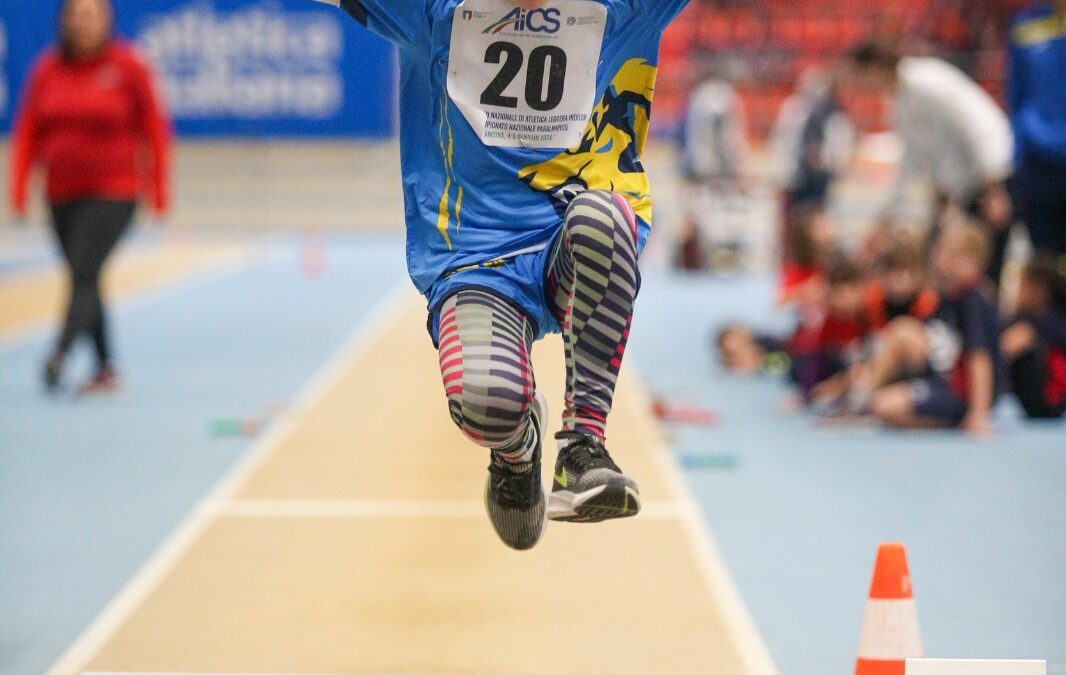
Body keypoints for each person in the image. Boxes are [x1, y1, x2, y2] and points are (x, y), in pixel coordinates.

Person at [319, 0, 689, 550]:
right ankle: (516, 453)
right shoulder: (431, 11)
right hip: (474, 259)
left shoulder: (623, 7)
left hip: (576, 232)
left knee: (604, 215)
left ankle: (584, 450)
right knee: (486, 405)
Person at [9, 0, 172, 395]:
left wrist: (159, 189)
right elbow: (28, 128)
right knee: (87, 278)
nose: (83, 24)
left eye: (91, 15)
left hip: (115, 191)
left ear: (106, 21)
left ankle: (59, 354)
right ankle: (105, 367)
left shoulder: (127, 65)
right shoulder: (47, 68)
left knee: (83, 272)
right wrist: (18, 188)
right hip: (61, 193)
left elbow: (154, 126)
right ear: (63, 22)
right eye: (76, 15)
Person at [849, 41, 1015, 287]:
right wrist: (889, 214)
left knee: (982, 263)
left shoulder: (926, 80)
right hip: (965, 187)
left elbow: (975, 123)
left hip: (991, 178)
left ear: (875, 67)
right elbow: (916, 159)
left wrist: (994, 188)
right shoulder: (900, 100)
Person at [856, 223, 1003, 434]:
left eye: (949, 253)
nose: (939, 258)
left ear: (973, 262)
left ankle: (954, 419)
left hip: (959, 391)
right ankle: (862, 398)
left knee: (884, 405)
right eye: (939, 250)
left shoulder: (973, 301)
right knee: (901, 330)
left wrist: (978, 414)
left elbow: (979, 357)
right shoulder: (947, 297)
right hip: (938, 377)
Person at [675, 64, 750, 271]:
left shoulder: (696, 97)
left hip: (696, 167)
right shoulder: (720, 98)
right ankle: (713, 264)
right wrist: (736, 165)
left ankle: (695, 264)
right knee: (717, 221)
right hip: (713, 171)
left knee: (696, 218)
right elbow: (726, 137)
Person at [1007, 0, 1066, 259]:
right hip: (1040, 165)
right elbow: (1016, 95)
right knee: (1047, 262)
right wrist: (1018, 159)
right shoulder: (1025, 25)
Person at [1001, 253, 1066, 419]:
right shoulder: (1021, 318)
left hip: (1050, 402)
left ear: (1039, 288)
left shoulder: (1050, 321)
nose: (1016, 291)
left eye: (1022, 284)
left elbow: (1004, 348)